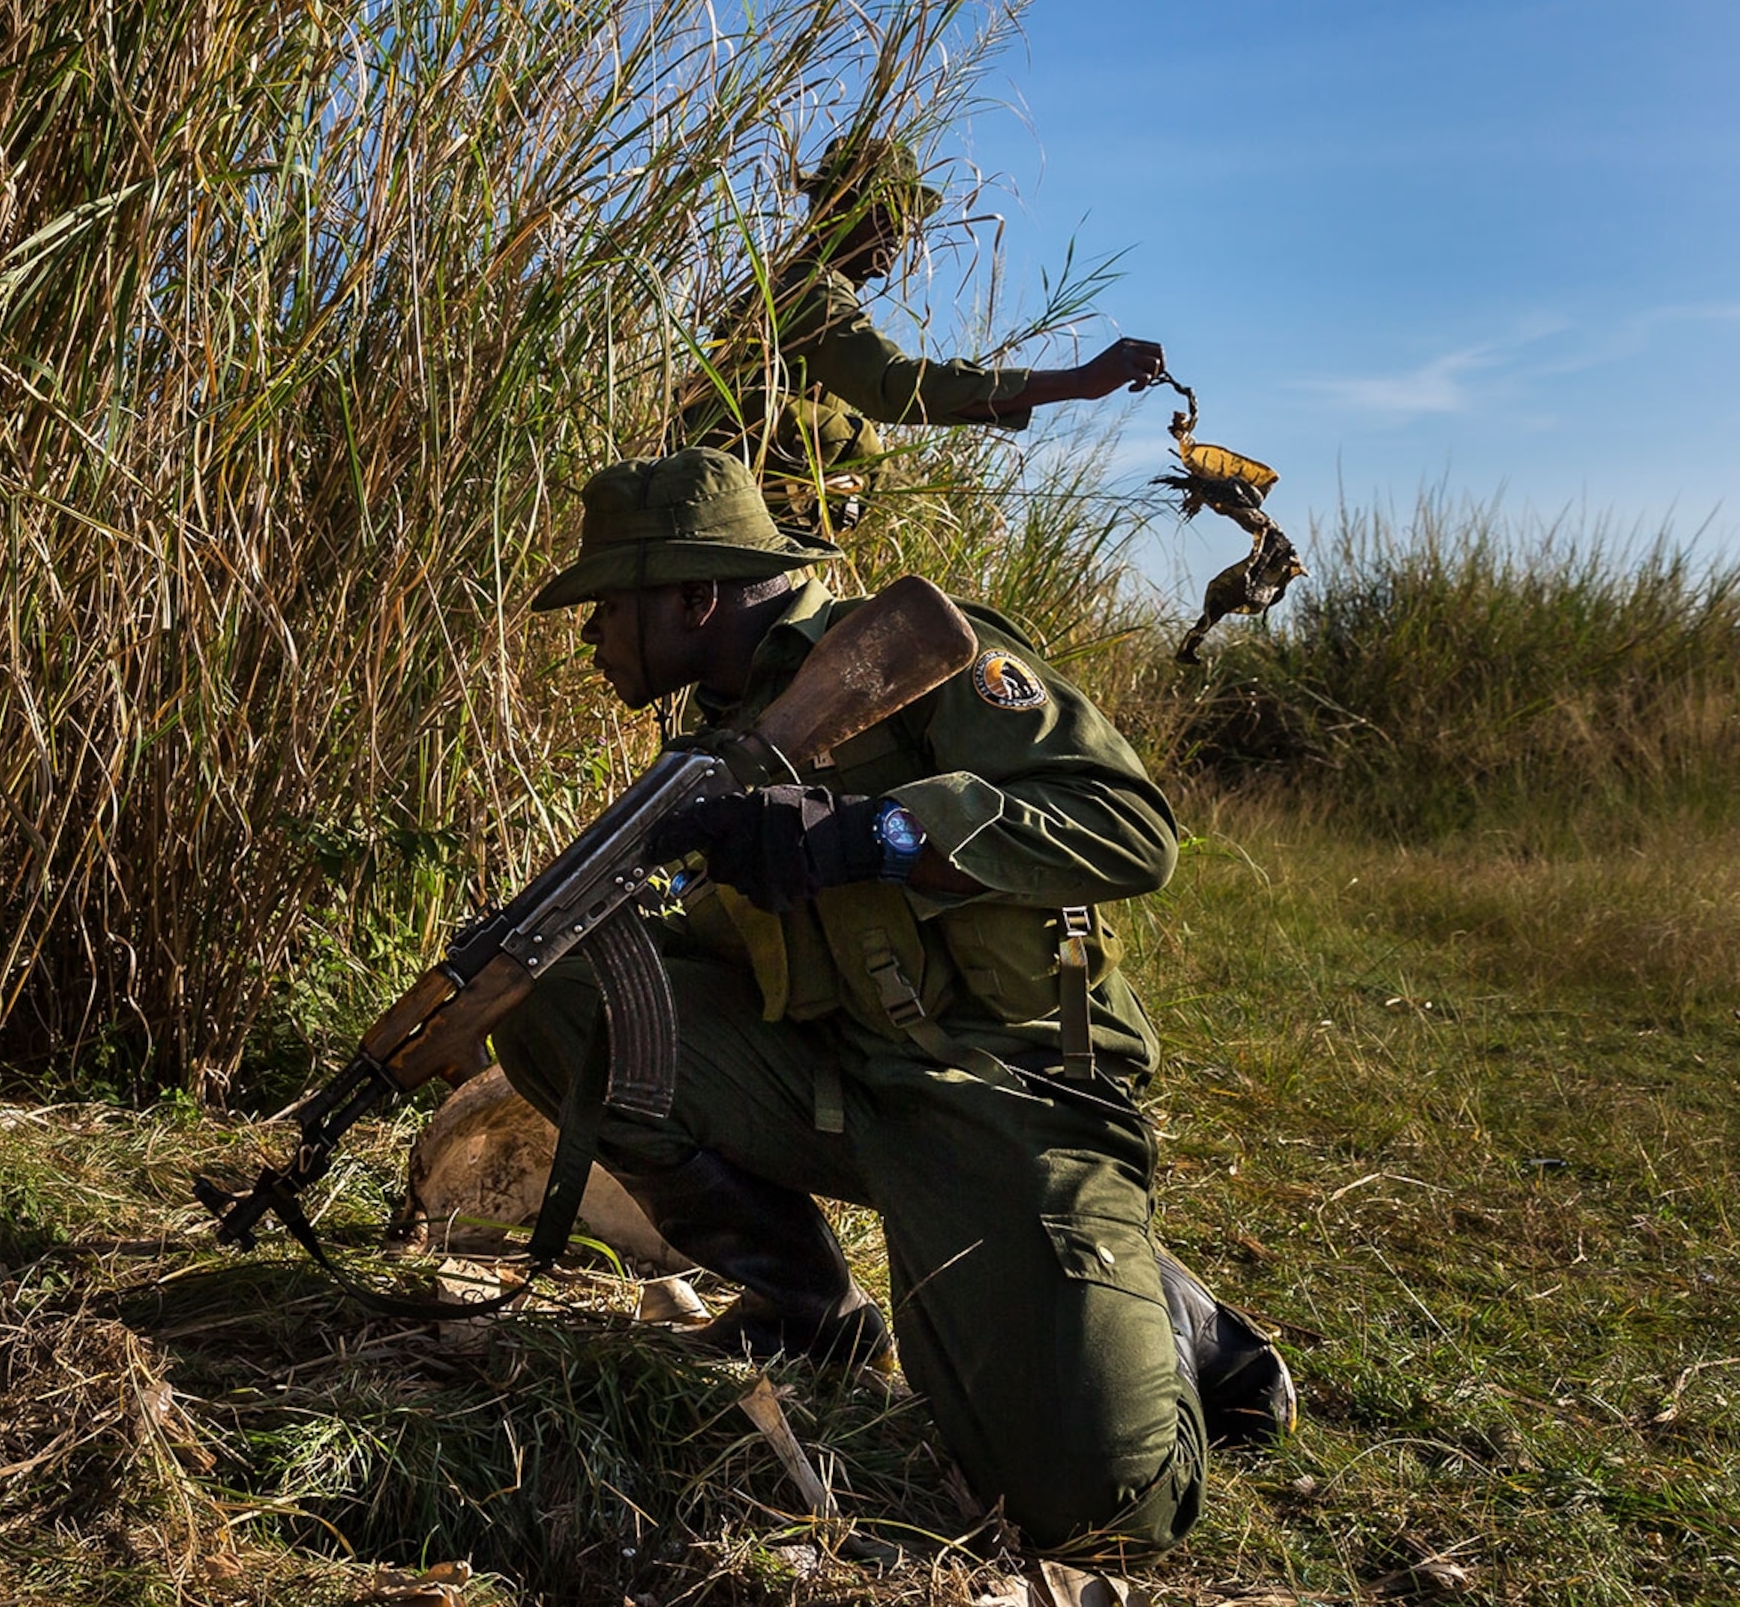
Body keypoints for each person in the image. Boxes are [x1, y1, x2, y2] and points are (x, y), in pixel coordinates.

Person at [492, 445, 1292, 1554]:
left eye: (605, 605)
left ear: (691, 594)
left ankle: (1170, 1313)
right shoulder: (715, 742)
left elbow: (1131, 827)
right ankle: (810, 1316)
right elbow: (739, 947)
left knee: (1098, 1507)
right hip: (840, 1075)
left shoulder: (906, 661)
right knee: (555, 995)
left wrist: (872, 833)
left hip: (1007, 1084)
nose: (587, 635)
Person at [695, 137, 1166, 529]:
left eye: (908, 219)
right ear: (838, 209)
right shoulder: (809, 292)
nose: (901, 232)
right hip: (730, 524)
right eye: (886, 211)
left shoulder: (795, 283)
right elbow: (900, 388)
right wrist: (1077, 383)